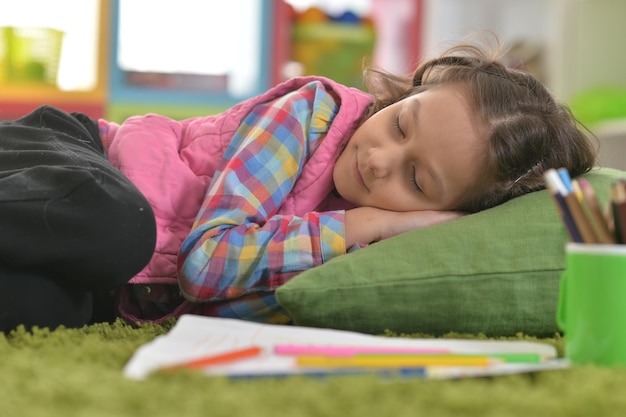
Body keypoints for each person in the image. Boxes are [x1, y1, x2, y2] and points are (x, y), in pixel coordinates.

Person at [0, 38, 596, 332]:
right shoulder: (312, 115)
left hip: (116, 283)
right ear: (406, 95)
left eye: (416, 178)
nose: (380, 158)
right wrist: (368, 222)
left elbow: (214, 309)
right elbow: (206, 265)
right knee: (120, 226)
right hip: (70, 161)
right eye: (400, 124)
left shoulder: (367, 252)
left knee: (37, 306)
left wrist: (367, 238)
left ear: (446, 213)